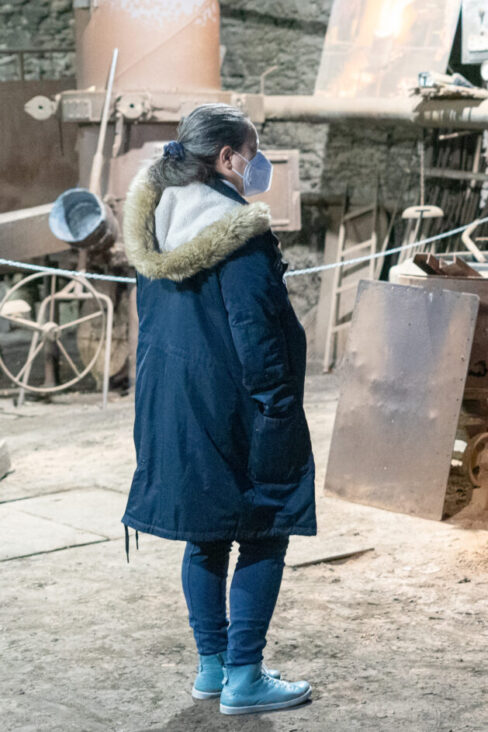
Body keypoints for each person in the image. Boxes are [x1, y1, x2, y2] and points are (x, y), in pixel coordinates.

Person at [121, 103, 316, 713]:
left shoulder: (156, 220)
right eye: (251, 153)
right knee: (265, 528)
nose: (256, 165)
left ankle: (212, 667)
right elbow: (256, 334)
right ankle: (245, 677)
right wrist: (278, 412)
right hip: (235, 405)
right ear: (228, 157)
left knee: (205, 535)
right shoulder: (238, 235)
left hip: (170, 404)